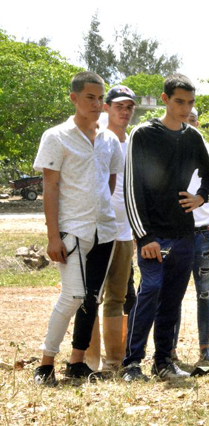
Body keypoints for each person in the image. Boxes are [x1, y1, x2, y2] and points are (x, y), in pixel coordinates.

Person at [122, 74, 209, 382]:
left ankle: (163, 360)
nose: (185, 108)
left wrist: (200, 197)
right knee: (149, 290)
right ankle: (132, 363)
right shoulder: (143, 134)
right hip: (154, 235)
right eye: (179, 101)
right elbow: (131, 188)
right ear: (165, 100)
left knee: (173, 297)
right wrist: (144, 236)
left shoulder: (192, 137)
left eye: (190, 102)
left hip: (184, 234)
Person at [32, 71, 123, 385]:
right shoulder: (56, 136)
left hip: (105, 230)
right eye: (90, 97)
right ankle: (45, 364)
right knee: (71, 296)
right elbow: (51, 187)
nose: (97, 104)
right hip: (72, 230)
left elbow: (110, 181)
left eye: (100, 98)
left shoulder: (110, 139)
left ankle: (76, 362)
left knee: (91, 298)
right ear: (74, 98)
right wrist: (53, 236)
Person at [83, 85, 137, 373]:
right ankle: (89, 360)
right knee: (90, 294)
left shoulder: (134, 142)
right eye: (119, 106)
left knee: (117, 297)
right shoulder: (96, 138)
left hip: (125, 231)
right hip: (96, 229)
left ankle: (114, 362)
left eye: (129, 107)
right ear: (107, 107)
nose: (125, 112)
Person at [172, 108, 209, 363]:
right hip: (177, 232)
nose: (187, 123)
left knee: (204, 292)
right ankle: (170, 349)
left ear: (197, 123)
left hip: (203, 231)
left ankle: (205, 346)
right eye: (184, 118)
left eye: (192, 119)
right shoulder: (169, 147)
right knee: (174, 292)